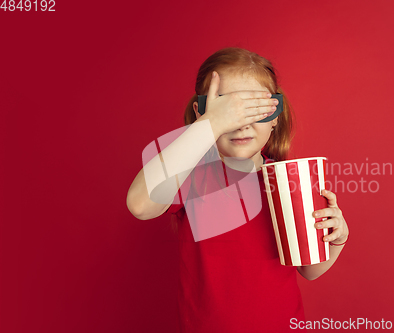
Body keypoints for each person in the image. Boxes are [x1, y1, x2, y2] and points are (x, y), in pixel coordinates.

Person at [126, 47, 349, 332]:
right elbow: (140, 204)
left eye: (255, 110)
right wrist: (212, 123)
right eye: (226, 110)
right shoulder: (191, 177)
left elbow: (309, 269)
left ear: (276, 115)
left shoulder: (288, 181)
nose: (240, 123)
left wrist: (336, 240)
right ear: (201, 114)